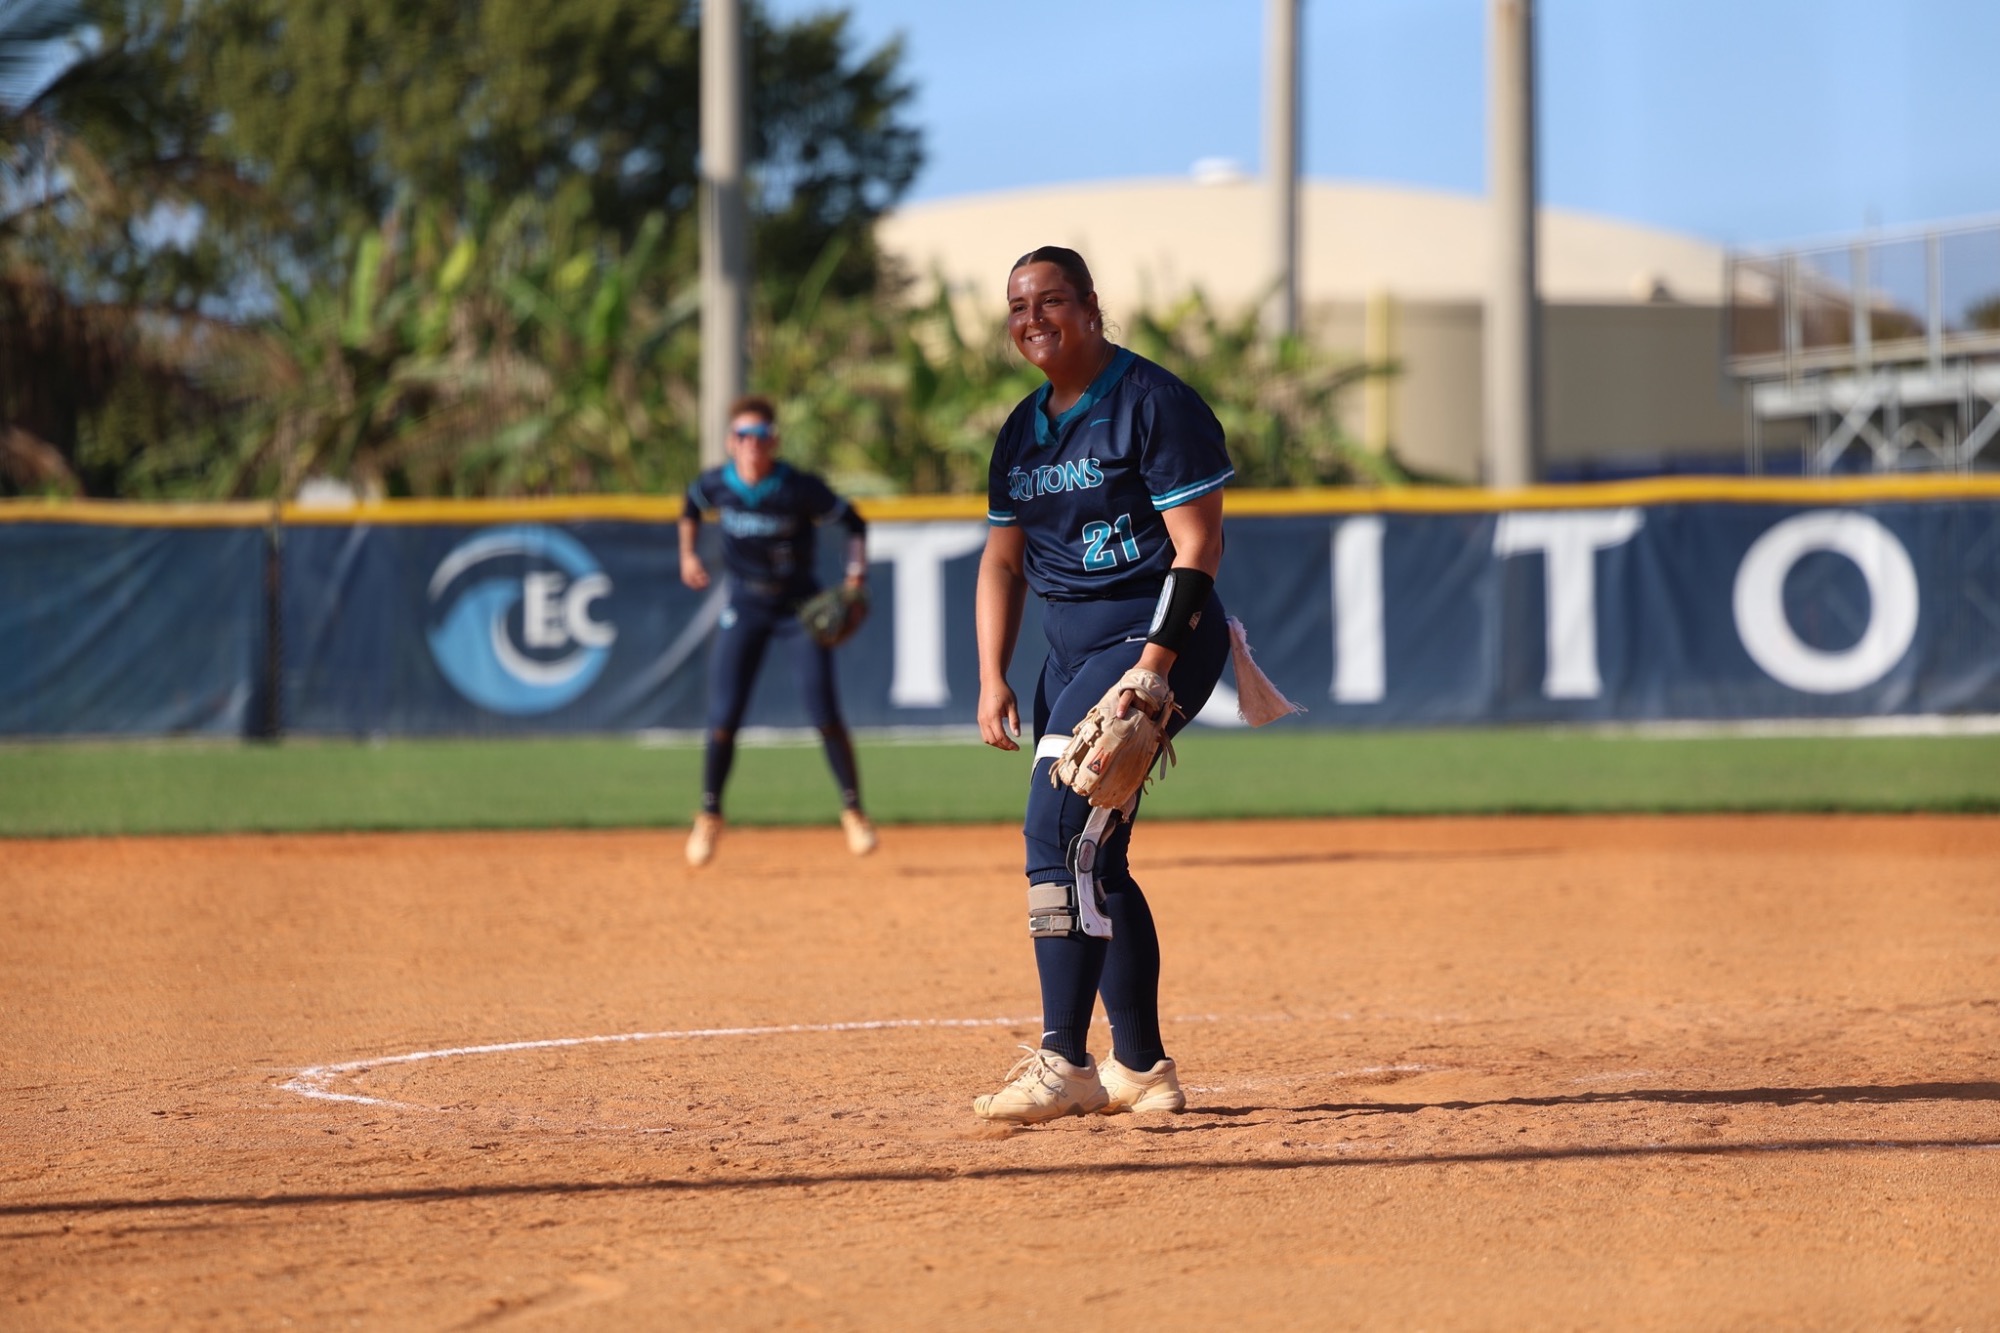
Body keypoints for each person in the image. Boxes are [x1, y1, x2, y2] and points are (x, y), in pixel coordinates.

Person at [972, 246, 1234, 1123]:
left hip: (1153, 636)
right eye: (1018, 306)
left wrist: (1153, 667)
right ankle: (1140, 1066)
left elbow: (1197, 546)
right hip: (1067, 656)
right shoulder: (1021, 430)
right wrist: (990, 676)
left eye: (1050, 300)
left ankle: (1062, 1061)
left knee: (1055, 825)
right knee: (1098, 847)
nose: (1032, 318)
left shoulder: (1152, 403)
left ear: (1090, 305)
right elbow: (1002, 563)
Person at [679, 395, 877, 867]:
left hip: (798, 609)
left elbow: (854, 522)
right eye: (743, 436)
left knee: (824, 711)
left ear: (774, 441)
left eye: (762, 436)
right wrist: (687, 555)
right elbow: (689, 506)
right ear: (731, 442)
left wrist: (855, 578)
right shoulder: (716, 485)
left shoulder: (797, 487)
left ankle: (853, 812)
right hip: (746, 604)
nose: (753, 445)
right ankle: (709, 815)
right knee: (724, 717)